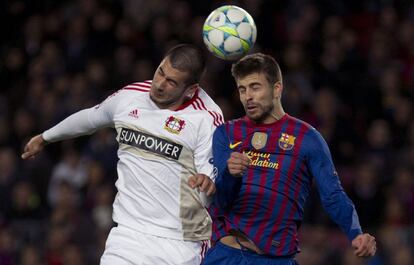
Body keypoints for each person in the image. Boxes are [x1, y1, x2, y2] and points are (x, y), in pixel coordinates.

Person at [22, 44, 224, 265]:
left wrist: (208, 183)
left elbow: (211, 176)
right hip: (127, 235)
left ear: (191, 90)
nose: (159, 84)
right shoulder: (131, 97)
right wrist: (45, 137)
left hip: (180, 242)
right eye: (160, 72)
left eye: (171, 82)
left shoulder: (206, 118)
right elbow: (91, 118)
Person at [203, 53, 376, 265]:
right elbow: (221, 201)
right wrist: (231, 174)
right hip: (228, 255)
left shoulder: (307, 138)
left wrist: (356, 233)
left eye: (255, 87)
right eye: (242, 89)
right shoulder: (226, 133)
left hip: (277, 259)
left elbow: (332, 194)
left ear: (277, 89)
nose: (248, 96)